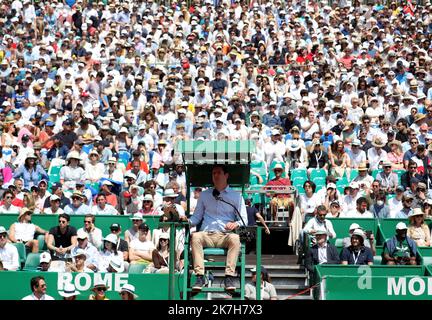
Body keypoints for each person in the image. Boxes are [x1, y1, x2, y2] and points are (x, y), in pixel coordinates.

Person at [180, 164, 248, 292]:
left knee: (235, 238)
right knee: (195, 236)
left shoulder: (236, 196)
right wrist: (187, 221)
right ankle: (200, 277)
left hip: (225, 235)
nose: (215, 175)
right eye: (213, 173)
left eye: (218, 173)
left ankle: (229, 277)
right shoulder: (205, 195)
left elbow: (244, 220)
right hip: (207, 234)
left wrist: (236, 224)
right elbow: (196, 218)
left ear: (226, 175)